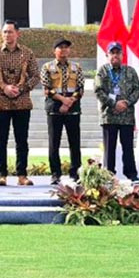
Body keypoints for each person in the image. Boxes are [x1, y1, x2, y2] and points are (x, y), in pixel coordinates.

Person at [0, 20, 39, 186]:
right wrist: (3, 88)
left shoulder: (27, 53)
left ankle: (22, 175)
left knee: (22, 140)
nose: (7, 35)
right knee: (0, 140)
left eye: (10, 32)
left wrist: (21, 88)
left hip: (22, 103)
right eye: (5, 32)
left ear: (17, 33)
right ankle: (1, 175)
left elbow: (35, 75)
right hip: (0, 103)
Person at [93, 41, 139, 182]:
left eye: (118, 53)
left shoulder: (130, 71)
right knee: (109, 148)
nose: (115, 55)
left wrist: (127, 102)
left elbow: (137, 89)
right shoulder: (102, 71)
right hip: (109, 115)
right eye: (112, 53)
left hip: (127, 116)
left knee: (128, 147)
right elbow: (98, 90)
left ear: (122, 55)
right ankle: (109, 175)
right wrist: (114, 103)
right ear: (107, 55)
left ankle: (131, 174)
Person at [40, 38, 85, 185]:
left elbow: (80, 88)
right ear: (55, 51)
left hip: (73, 109)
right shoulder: (47, 67)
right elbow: (47, 88)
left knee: (75, 142)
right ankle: (55, 174)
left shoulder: (76, 67)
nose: (64, 50)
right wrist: (63, 100)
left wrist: (69, 101)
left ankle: (75, 172)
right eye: (60, 47)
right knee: (54, 143)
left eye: (66, 47)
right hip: (55, 109)